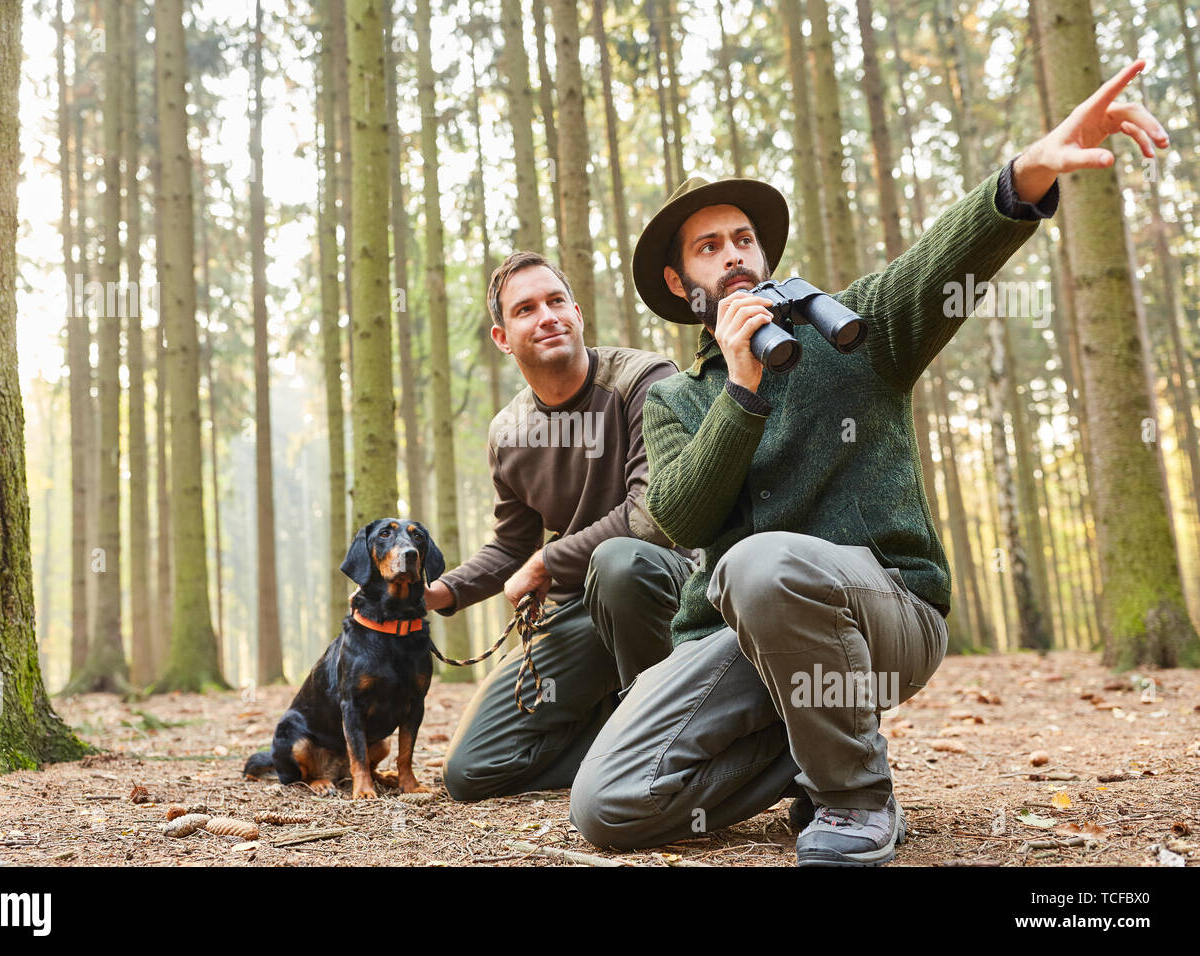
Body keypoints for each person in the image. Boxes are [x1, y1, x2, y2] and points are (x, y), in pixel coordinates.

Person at [569, 60, 1170, 865]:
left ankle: (855, 800)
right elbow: (678, 515)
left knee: (759, 564)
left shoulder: (857, 330)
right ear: (684, 286)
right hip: (742, 639)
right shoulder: (677, 399)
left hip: (887, 616)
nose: (735, 256)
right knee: (606, 804)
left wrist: (1025, 175)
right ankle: (816, 752)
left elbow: (941, 261)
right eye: (711, 249)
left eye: (744, 239)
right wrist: (741, 389)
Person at [426, 251, 692, 801]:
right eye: (525, 309)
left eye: (555, 302)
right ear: (503, 338)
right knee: (470, 771)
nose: (545, 316)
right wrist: (439, 592)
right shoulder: (508, 433)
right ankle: (616, 747)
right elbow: (511, 546)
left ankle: (668, 741)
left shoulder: (646, 380)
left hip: (664, 590)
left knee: (618, 563)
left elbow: (653, 516)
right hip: (575, 613)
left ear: (577, 313)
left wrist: (547, 562)